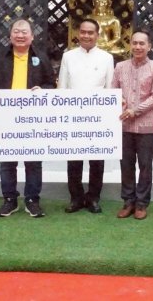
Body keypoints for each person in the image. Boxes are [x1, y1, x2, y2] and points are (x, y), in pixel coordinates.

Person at [0, 19, 55, 218]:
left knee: (33, 161)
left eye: (24, 32)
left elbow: (51, 85)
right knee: (7, 160)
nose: (20, 35)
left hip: (32, 119)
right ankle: (9, 199)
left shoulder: (40, 58)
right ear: (10, 36)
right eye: (16, 31)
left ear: (32, 36)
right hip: (5, 117)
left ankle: (32, 199)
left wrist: (42, 90)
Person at [59, 19, 115, 214]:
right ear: (78, 33)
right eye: (83, 32)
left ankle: (93, 198)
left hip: (97, 118)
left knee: (96, 161)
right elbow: (63, 88)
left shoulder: (107, 58)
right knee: (74, 160)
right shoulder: (68, 56)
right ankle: (75, 197)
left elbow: (109, 89)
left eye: (91, 33)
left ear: (97, 35)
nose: (86, 36)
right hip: (73, 117)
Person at [112, 30, 153, 220]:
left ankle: (142, 203)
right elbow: (114, 91)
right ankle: (128, 201)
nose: (138, 47)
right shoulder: (120, 67)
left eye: (142, 43)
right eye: (134, 43)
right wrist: (121, 101)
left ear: (149, 46)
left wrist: (136, 110)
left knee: (145, 165)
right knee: (126, 165)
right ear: (130, 45)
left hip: (146, 126)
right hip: (124, 125)